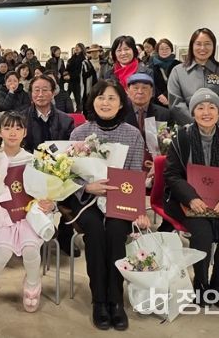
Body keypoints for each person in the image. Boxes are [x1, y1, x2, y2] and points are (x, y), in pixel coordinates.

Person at [61, 79, 149, 331]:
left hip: (121, 199)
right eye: (101, 97)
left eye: (112, 98)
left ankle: (116, 300)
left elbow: (135, 174)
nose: (106, 102)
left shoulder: (132, 134)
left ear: (121, 103)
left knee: (116, 231)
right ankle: (99, 300)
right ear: (93, 101)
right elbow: (67, 175)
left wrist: (139, 210)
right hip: (86, 200)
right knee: (95, 232)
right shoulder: (79, 133)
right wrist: (88, 187)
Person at [164, 89, 219, 308]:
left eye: (212, 107)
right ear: (193, 112)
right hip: (186, 201)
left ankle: (218, 283)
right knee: (202, 233)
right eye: (200, 108)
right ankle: (200, 283)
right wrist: (191, 198)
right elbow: (172, 175)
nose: (206, 112)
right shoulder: (181, 138)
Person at [0, 111, 54, 313]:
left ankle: (32, 284)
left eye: (18, 128)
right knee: (3, 252)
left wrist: (49, 201)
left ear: (25, 132)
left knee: (30, 249)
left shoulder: (33, 159)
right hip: (2, 216)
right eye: (8, 128)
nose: (13, 133)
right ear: (0, 132)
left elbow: (45, 189)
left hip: (28, 216)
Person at [168, 28, 219, 127]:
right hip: (187, 130)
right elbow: (175, 103)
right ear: (192, 46)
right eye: (198, 44)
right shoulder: (178, 71)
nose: (203, 48)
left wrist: (213, 127)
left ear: (213, 46)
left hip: (216, 130)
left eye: (207, 44)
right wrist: (196, 126)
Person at [124, 73, 170, 168]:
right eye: (135, 88)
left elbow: (167, 146)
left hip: (154, 165)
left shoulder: (164, 114)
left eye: (144, 88)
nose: (140, 92)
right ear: (127, 91)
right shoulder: (120, 114)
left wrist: (159, 164)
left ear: (152, 92)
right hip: (126, 165)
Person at [22, 75, 74, 152]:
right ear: (31, 94)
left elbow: (70, 148)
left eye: (45, 90)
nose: (40, 94)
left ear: (53, 93)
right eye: (36, 90)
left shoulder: (66, 121)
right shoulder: (21, 119)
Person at [150, 38, 180, 107]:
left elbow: (180, 82)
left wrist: (166, 95)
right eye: (161, 49)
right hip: (157, 100)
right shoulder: (152, 66)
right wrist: (160, 96)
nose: (164, 51)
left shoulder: (178, 65)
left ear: (171, 50)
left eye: (167, 48)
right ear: (157, 50)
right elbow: (151, 84)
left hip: (175, 98)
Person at [65, 43, 87, 112]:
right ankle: (67, 109)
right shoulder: (72, 58)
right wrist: (66, 73)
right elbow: (68, 68)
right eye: (76, 47)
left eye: (78, 47)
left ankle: (79, 112)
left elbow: (79, 71)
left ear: (82, 49)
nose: (76, 48)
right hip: (71, 80)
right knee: (67, 96)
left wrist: (70, 76)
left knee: (78, 97)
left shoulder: (83, 59)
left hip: (78, 81)